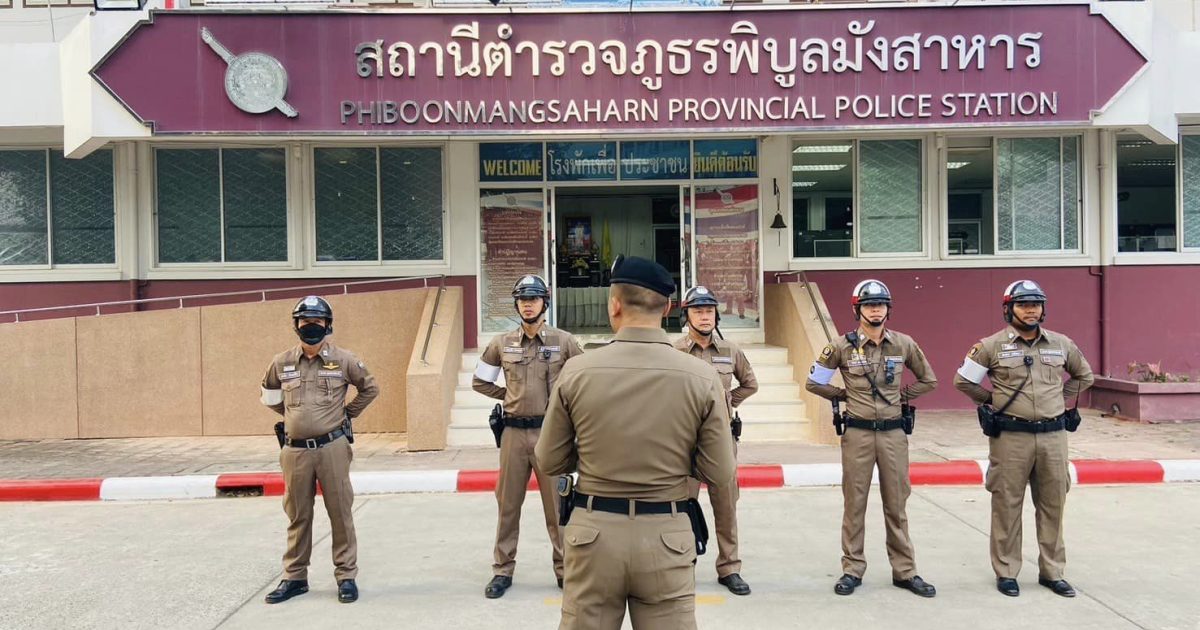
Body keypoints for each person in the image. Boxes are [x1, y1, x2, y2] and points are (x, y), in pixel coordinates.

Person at [536, 255, 736, 630]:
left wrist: (594, 452)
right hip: (667, 536)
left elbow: (548, 460)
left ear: (614, 305)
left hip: (593, 536)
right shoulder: (701, 376)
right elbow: (720, 471)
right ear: (669, 308)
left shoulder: (577, 371)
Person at [953, 280, 1094, 598]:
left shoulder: (1061, 343)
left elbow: (1084, 375)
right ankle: (1006, 571)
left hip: (1053, 437)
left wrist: (1057, 396)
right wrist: (993, 400)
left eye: (1036, 304)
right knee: (1007, 504)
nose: (1031, 310)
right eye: (1023, 304)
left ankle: (1052, 572)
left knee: (1053, 504)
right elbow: (962, 381)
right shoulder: (990, 346)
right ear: (1009, 309)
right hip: (1011, 438)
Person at [805, 279, 938, 598]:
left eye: (880, 305)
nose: (875, 310)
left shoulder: (903, 344)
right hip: (858, 434)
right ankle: (852, 569)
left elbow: (928, 379)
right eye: (868, 305)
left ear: (888, 309)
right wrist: (844, 395)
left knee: (897, 504)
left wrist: (901, 396)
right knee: (855, 503)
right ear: (858, 310)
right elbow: (814, 382)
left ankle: (905, 571)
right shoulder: (840, 346)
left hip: (893, 434)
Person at [259, 295, 379, 604]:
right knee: (297, 515)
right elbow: (269, 396)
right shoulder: (281, 362)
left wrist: (347, 414)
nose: (310, 325)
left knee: (340, 512)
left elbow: (370, 388)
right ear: (296, 325)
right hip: (294, 451)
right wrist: (293, 417)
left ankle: (346, 576)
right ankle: (295, 577)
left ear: (327, 324)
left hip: (332, 447)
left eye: (317, 320)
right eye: (305, 320)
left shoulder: (344, 359)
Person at [473, 275, 584, 598]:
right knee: (507, 505)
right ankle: (502, 570)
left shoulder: (564, 341)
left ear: (544, 303)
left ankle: (565, 570)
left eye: (533, 299)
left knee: (557, 507)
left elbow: (584, 379)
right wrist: (507, 396)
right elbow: (480, 381)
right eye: (523, 300)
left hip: (551, 434)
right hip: (512, 433)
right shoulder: (502, 343)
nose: (528, 305)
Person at [674, 285, 758, 595]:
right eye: (698, 311)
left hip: (721, 440)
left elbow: (750, 384)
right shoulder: (674, 352)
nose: (704, 316)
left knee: (726, 506)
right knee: (682, 505)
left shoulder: (730, 351)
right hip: (685, 442)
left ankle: (729, 567)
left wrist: (727, 402)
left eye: (709, 311)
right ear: (687, 316)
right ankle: (683, 564)